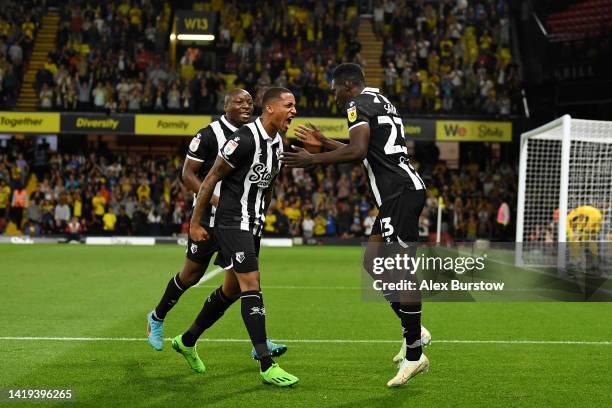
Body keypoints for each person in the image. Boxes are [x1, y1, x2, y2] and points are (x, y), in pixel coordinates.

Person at [281, 63, 430, 387]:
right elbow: (366, 152)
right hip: (399, 191)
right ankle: (414, 329)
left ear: (348, 85)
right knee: (372, 260)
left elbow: (358, 150)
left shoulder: (356, 104)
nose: (334, 96)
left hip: (399, 194)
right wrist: (326, 141)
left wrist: (312, 159)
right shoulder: (380, 101)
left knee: (401, 270)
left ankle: (415, 354)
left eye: (335, 88)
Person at [146, 89, 286, 360]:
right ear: (226, 106)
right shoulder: (208, 135)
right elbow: (188, 174)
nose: (246, 106)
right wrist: (212, 204)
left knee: (242, 284)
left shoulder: (258, 136)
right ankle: (157, 317)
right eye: (239, 102)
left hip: (238, 220)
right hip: (210, 217)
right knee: (191, 276)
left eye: (249, 102)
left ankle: (258, 343)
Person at [185, 87, 298, 387]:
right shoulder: (244, 139)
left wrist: (262, 215)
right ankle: (266, 363)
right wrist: (195, 223)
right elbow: (209, 179)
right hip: (233, 222)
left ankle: (186, 340)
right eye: (289, 105)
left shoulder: (277, 143)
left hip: (252, 223)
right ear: (270, 108)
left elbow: (269, 183)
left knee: (232, 291)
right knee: (252, 285)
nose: (294, 111)